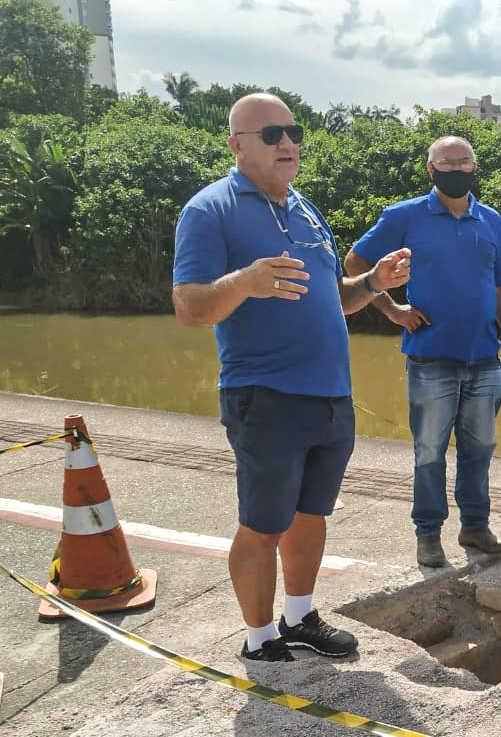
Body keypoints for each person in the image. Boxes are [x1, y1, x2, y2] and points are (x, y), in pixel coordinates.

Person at [173, 92, 411, 662]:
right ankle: (259, 641)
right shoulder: (210, 210)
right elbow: (189, 306)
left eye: (293, 132)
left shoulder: (304, 208)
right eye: (272, 134)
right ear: (236, 145)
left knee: (311, 516)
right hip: (267, 397)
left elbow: (336, 298)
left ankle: (300, 616)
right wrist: (244, 282)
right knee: (262, 523)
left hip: (330, 397)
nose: (288, 143)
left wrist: (374, 283)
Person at [344, 136, 501, 569]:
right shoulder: (404, 216)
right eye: (447, 162)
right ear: (430, 169)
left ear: (475, 166)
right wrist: (391, 310)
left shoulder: (492, 221)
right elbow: (354, 262)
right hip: (430, 358)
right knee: (429, 451)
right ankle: (428, 535)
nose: (456, 169)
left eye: (464, 162)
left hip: (484, 357)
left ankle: (475, 527)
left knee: (480, 448)